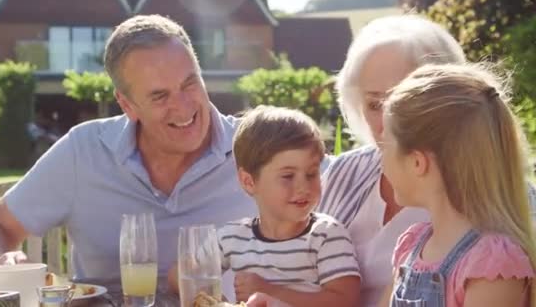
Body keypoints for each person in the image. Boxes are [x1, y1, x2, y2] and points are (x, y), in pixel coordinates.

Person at [0, 15, 257, 302]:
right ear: (127, 104)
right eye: (159, 96)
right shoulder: (84, 151)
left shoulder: (255, 149)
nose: (182, 107)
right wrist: (0, 264)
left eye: (189, 83)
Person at [316, 15, 467, 307]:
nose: (388, 121)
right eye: (375, 104)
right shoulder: (342, 172)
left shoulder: (488, 185)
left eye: (403, 101)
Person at [169, 105, 360, 306]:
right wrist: (219, 303)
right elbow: (178, 275)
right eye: (288, 176)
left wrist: (270, 291)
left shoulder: (326, 235)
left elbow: (346, 301)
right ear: (249, 182)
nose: (304, 187)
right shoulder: (232, 237)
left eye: (311, 174)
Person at [379, 63, 536, 306]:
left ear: (418, 163)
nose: (381, 160)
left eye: (384, 146)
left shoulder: (492, 265)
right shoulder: (412, 244)